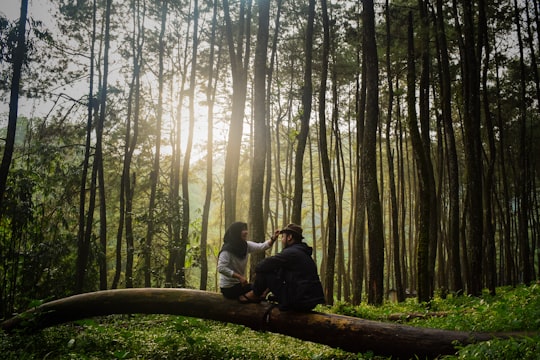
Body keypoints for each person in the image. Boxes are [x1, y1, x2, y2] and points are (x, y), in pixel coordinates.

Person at [241, 223, 325, 311]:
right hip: (308, 301)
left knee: (265, 269)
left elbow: (261, 266)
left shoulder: (291, 253)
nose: (282, 239)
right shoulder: (302, 252)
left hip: (298, 300)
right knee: (276, 269)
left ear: (290, 237)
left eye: (283, 237)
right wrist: (266, 291)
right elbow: (280, 274)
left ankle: (255, 294)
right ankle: (262, 294)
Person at [217, 221, 277, 302]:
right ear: (236, 232)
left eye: (246, 229)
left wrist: (273, 239)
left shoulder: (245, 245)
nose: (246, 232)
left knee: (259, 290)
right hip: (229, 288)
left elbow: (261, 246)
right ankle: (245, 299)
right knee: (257, 293)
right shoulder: (227, 250)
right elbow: (221, 268)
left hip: (240, 285)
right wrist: (240, 277)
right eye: (243, 230)